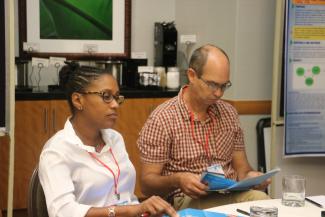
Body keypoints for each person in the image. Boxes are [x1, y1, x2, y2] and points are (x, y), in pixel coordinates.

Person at [137, 44, 270, 210]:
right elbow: (147, 185)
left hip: (230, 193)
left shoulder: (229, 113)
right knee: (254, 204)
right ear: (192, 76)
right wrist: (177, 180)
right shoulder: (163, 118)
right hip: (186, 199)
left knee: (262, 202)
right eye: (213, 85)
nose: (219, 93)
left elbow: (242, 169)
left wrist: (252, 177)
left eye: (224, 86)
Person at [38, 62, 178, 217]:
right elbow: (63, 212)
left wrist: (144, 211)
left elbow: (127, 198)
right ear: (78, 100)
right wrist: (130, 211)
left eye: (117, 97)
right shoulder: (57, 151)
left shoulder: (114, 138)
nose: (115, 105)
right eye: (106, 96)